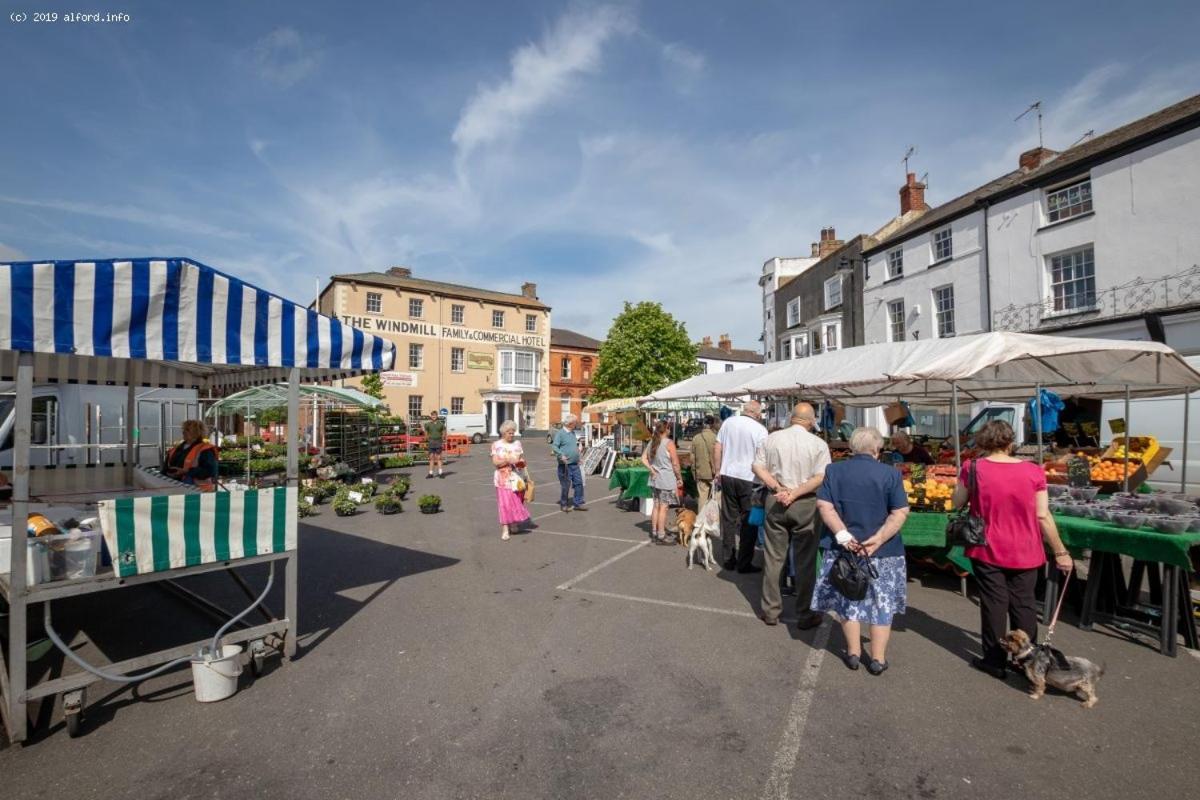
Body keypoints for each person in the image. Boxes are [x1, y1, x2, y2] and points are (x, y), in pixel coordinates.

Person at [952, 419, 1073, 679]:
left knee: (993, 604)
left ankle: (995, 661)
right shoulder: (1033, 471)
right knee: (1024, 604)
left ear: (983, 441)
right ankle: (1027, 660)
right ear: (1010, 442)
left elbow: (957, 502)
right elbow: (1043, 516)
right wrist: (1061, 551)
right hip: (1026, 549)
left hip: (987, 546)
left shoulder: (971, 467)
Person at [813, 427, 910, 675]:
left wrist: (843, 535)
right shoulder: (890, 474)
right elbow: (900, 512)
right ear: (877, 449)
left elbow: (825, 506)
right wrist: (878, 539)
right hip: (883, 553)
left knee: (848, 601)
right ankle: (877, 659)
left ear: (851, 448)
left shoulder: (834, 470)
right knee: (882, 604)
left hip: (844, 550)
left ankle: (853, 653)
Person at [752, 403, 831, 629]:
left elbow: (757, 466)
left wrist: (778, 488)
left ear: (792, 418)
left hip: (776, 500)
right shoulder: (818, 444)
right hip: (805, 502)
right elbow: (821, 477)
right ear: (810, 420)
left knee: (773, 557)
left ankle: (770, 611)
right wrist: (795, 493)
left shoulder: (771, 439)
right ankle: (805, 614)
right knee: (805, 561)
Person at [714, 400, 768, 573]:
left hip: (728, 473)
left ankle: (729, 559)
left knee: (728, 518)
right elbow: (763, 457)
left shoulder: (728, 422)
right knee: (748, 521)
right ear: (757, 414)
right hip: (749, 477)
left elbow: (717, 448)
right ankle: (744, 563)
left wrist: (717, 470)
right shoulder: (760, 430)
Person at [641, 420, 683, 544]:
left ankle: (655, 531)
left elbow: (643, 458)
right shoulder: (669, 443)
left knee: (656, 505)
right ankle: (661, 535)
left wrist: (652, 469)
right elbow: (675, 464)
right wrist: (679, 478)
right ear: (667, 429)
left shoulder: (652, 442)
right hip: (666, 479)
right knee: (664, 507)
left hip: (655, 479)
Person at [491, 420, 530, 541]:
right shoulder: (496, 445)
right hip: (502, 478)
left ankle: (513, 523)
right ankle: (505, 529)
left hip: (516, 478)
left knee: (517, 501)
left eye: (513, 432)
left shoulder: (517, 444)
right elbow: (495, 463)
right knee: (504, 504)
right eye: (509, 432)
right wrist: (508, 461)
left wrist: (521, 463)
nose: (511, 434)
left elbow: (521, 461)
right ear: (503, 432)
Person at [165, 419, 220, 491]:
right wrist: (168, 473)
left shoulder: (205, 449)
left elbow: (210, 471)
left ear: (197, 433)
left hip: (199, 492)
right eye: (183, 429)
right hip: (175, 489)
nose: (183, 432)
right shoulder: (175, 449)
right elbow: (165, 468)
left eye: (187, 430)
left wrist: (186, 472)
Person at [551, 413, 586, 513]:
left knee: (579, 483)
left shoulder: (573, 433)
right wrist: (561, 455)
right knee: (566, 485)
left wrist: (578, 458)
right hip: (565, 465)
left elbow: (573, 447)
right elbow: (555, 446)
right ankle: (564, 504)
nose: (576, 424)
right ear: (570, 423)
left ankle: (578, 503)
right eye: (575, 422)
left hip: (575, 464)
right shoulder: (560, 433)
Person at [690, 415, 718, 509]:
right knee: (715, 497)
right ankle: (713, 520)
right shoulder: (716, 438)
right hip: (714, 472)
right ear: (713, 424)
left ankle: (701, 520)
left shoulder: (696, 438)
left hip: (700, 471)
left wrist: (694, 472)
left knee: (702, 497)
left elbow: (692, 457)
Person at [424, 410, 446, 479]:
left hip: (438, 442)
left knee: (439, 458)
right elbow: (426, 430)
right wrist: (427, 437)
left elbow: (444, 431)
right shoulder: (428, 424)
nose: (434, 416)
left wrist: (442, 438)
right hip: (431, 442)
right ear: (431, 416)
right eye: (432, 415)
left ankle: (440, 473)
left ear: (437, 416)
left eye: (435, 415)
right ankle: (430, 473)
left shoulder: (441, 424)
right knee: (431, 458)